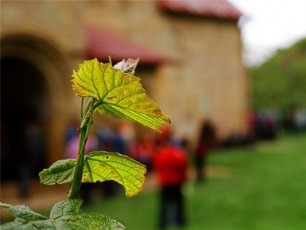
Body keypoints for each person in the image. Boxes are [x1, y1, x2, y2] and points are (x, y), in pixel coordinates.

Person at [153, 126, 188, 229]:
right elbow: (182, 165)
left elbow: (157, 166)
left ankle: (162, 223)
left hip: (165, 182)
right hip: (176, 181)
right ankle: (180, 220)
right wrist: (183, 179)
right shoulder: (176, 153)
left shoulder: (159, 154)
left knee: (164, 204)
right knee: (179, 202)